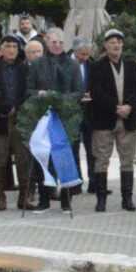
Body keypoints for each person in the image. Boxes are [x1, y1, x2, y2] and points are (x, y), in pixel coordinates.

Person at [25, 26, 83, 213]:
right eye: (54, 42)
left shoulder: (73, 65)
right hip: (44, 118)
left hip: (65, 118)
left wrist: (63, 99)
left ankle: (66, 200)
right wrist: (40, 94)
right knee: (44, 158)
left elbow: (79, 91)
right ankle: (44, 200)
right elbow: (28, 90)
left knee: (66, 157)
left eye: (60, 42)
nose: (57, 45)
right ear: (47, 43)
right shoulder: (37, 64)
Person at [89, 29, 136, 213]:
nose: (116, 45)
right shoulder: (97, 66)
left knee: (127, 160)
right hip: (104, 119)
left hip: (127, 119)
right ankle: (101, 199)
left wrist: (128, 105)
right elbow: (96, 92)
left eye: (119, 42)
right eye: (112, 42)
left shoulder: (132, 66)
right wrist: (115, 107)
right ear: (105, 45)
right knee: (101, 159)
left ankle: (127, 199)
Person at [0, 37, 32, 211]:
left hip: (20, 120)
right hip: (0, 120)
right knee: (0, 161)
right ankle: (1, 198)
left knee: (23, 161)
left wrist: (17, 108)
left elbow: (28, 92)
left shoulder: (24, 69)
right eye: (8, 46)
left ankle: (23, 198)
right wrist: (6, 108)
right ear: (1, 49)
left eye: (15, 46)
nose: (11, 50)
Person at [70, 37, 100, 193]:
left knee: (92, 148)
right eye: (82, 54)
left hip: (89, 112)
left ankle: (94, 182)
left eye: (87, 54)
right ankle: (76, 183)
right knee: (73, 148)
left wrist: (91, 94)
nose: (85, 57)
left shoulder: (91, 65)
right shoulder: (65, 64)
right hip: (71, 112)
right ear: (75, 51)